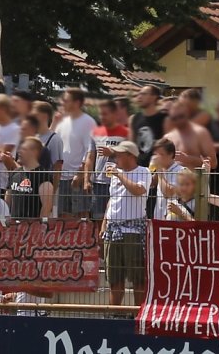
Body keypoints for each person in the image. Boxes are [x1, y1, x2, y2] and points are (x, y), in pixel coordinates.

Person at [101, 141, 150, 306]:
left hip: (134, 232)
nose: (115, 158)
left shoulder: (143, 172)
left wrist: (119, 175)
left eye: (119, 154)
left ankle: (137, 313)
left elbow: (138, 190)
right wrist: (104, 224)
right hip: (113, 230)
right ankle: (114, 314)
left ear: (131, 155)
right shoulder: (116, 174)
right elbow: (112, 200)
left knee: (137, 278)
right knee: (114, 278)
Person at [87, 100, 130, 233]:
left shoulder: (125, 133)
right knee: (97, 218)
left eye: (105, 114)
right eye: (101, 114)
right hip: (98, 182)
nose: (102, 117)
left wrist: (112, 152)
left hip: (118, 182)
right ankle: (99, 249)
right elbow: (90, 157)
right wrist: (86, 180)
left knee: (115, 217)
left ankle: (113, 246)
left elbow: (131, 155)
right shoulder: (95, 133)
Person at [55, 88, 95, 219]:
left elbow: (90, 151)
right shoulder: (62, 121)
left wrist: (81, 174)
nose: (63, 103)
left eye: (66, 100)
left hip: (76, 178)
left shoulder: (87, 122)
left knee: (81, 215)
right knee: (62, 215)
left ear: (77, 103)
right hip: (60, 177)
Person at [6, 137, 55, 219]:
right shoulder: (15, 173)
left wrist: (38, 228)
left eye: (24, 149)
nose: (19, 152)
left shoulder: (43, 176)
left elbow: (46, 207)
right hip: (14, 227)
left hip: (32, 228)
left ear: (34, 152)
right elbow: (7, 200)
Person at [165, 99, 217, 170]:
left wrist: (187, 159)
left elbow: (213, 163)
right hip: (170, 180)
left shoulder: (201, 133)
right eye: (174, 117)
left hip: (196, 180)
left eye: (181, 116)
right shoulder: (168, 137)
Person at [151, 138, 185, 222]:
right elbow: (150, 184)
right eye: (156, 155)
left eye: (161, 154)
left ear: (170, 154)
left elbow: (169, 193)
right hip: (158, 218)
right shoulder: (161, 171)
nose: (157, 158)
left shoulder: (181, 171)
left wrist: (159, 170)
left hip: (174, 220)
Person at [132, 85, 166, 167]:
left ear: (154, 97)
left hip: (157, 168)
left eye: (143, 94)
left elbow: (169, 145)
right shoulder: (134, 118)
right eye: (139, 94)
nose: (139, 97)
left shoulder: (165, 119)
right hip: (138, 169)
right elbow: (131, 145)